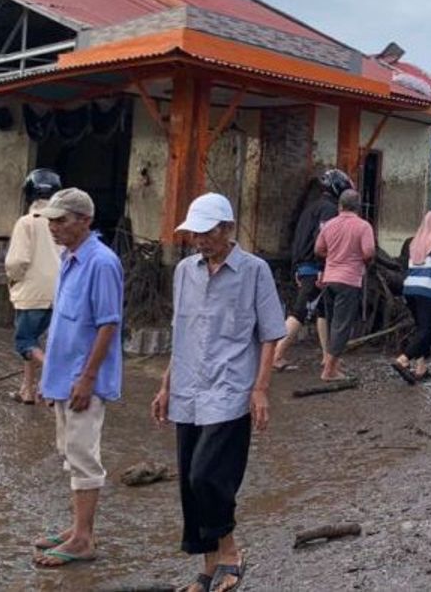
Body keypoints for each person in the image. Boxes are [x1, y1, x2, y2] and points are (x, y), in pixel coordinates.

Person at [152, 193, 286, 592]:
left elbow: (270, 335)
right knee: (189, 484)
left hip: (230, 388)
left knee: (208, 474)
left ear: (227, 229)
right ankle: (209, 566)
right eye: (193, 233)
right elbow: (182, 333)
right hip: (188, 389)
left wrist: (261, 389)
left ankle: (230, 551)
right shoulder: (184, 272)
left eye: (206, 233)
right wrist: (165, 384)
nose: (198, 240)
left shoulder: (254, 270)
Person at [31, 188, 123, 568]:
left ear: (85, 220)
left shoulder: (101, 262)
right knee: (70, 453)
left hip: (83, 378)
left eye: (61, 220)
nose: (54, 227)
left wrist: (87, 378)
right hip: (64, 376)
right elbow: (63, 325)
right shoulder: (71, 258)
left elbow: (107, 325)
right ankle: (77, 529)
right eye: (51, 220)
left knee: (84, 456)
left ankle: (83, 538)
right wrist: (48, 378)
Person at [273, 169, 351, 372]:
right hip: (314, 267)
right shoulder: (329, 210)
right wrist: (322, 267)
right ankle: (276, 354)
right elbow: (322, 240)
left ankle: (327, 356)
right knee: (301, 310)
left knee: (322, 311)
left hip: (302, 264)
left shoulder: (311, 207)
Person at [4, 169, 63, 405]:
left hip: (32, 291)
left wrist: (14, 278)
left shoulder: (27, 222)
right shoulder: (61, 221)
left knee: (25, 342)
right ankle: (28, 389)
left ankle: (57, 378)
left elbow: (17, 261)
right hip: (59, 290)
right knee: (43, 342)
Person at [314, 189, 375, 382]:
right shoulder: (363, 226)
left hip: (329, 279)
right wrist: (356, 259)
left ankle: (333, 362)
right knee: (342, 326)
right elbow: (369, 252)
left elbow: (318, 249)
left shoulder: (329, 225)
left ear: (340, 206)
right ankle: (330, 370)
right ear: (358, 207)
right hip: (349, 280)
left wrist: (333, 256)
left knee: (333, 323)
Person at [392, 210, 431, 384]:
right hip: (428, 290)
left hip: (410, 289)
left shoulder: (416, 240)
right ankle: (403, 360)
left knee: (421, 328)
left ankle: (421, 367)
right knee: (427, 330)